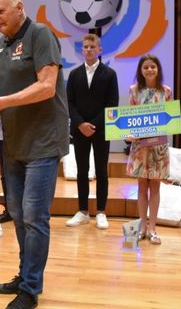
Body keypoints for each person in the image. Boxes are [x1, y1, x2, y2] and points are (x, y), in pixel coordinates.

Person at [0, 0, 69, 309]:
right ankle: (24, 275)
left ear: (19, 7)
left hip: (43, 142)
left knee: (34, 217)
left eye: (0, 11)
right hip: (13, 142)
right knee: (17, 215)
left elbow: (46, 87)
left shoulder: (40, 34)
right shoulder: (1, 45)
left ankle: (30, 290)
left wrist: (2, 102)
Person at [65, 33, 118, 230]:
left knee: (102, 171)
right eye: (85, 47)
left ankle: (101, 211)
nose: (88, 50)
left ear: (99, 50)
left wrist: (93, 125)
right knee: (82, 171)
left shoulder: (109, 74)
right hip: (79, 130)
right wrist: (80, 124)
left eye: (92, 47)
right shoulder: (74, 74)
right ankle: (83, 211)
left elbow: (112, 104)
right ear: (82, 50)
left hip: (101, 130)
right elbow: (69, 102)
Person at [126, 54, 172, 245]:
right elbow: (129, 119)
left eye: (153, 66)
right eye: (146, 67)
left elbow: (170, 119)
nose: (150, 70)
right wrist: (128, 134)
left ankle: (153, 228)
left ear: (158, 69)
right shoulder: (134, 90)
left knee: (155, 187)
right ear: (141, 70)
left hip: (158, 147)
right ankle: (142, 228)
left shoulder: (166, 91)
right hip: (139, 147)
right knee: (141, 187)